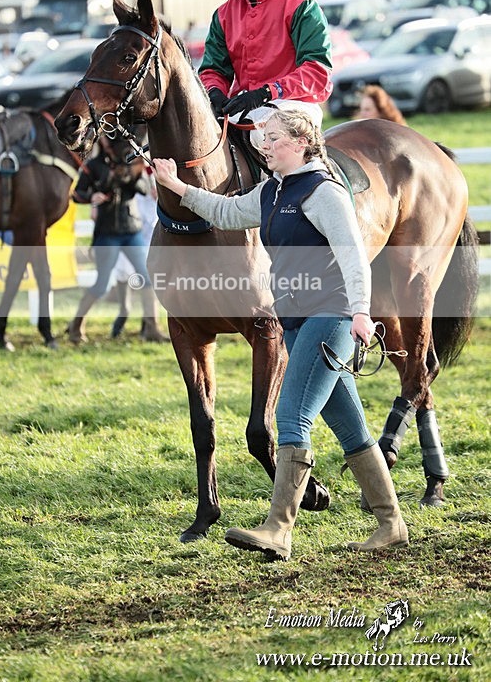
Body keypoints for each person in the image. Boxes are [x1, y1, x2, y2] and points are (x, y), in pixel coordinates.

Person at [153, 108, 409, 561]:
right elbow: (225, 212)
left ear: (299, 142)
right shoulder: (272, 190)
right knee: (351, 428)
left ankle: (279, 529)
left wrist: (362, 313)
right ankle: (391, 524)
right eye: (262, 139)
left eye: (271, 138)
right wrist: (176, 187)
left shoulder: (323, 192)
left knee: (291, 416)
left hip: (330, 317)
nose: (261, 145)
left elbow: (352, 256)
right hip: (294, 321)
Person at [198, 0, 333, 149]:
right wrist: (215, 93)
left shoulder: (302, 5)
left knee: (266, 136)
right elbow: (213, 70)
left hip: (295, 106)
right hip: (244, 108)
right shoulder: (223, 14)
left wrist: (266, 92)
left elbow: (317, 73)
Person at [67, 135, 168, 344]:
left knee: (147, 278)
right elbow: (77, 194)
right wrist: (91, 197)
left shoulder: (132, 163)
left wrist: (129, 176)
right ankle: (76, 325)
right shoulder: (93, 166)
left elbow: (141, 189)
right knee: (102, 285)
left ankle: (152, 328)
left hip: (131, 230)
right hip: (107, 233)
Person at [110, 167, 163, 340]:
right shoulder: (131, 172)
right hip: (131, 227)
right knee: (124, 272)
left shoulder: (154, 167)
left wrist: (159, 193)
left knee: (149, 277)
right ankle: (123, 314)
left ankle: (148, 326)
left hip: (150, 230)